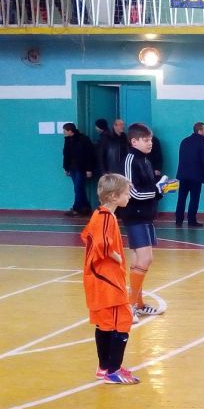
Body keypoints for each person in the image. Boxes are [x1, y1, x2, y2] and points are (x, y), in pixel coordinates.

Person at [81, 173, 140, 384]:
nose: (129, 197)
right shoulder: (106, 216)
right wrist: (117, 256)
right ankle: (113, 370)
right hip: (107, 279)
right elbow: (103, 245)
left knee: (105, 323)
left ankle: (104, 367)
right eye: (126, 193)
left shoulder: (99, 214)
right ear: (114, 196)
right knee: (122, 320)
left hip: (99, 278)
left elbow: (86, 236)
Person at [119, 123, 163, 320]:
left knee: (140, 260)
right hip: (134, 215)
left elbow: (149, 188)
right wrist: (156, 190)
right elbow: (133, 192)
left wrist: (161, 189)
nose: (150, 143)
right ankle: (129, 306)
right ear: (134, 141)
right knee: (145, 259)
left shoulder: (146, 160)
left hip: (146, 215)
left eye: (150, 139)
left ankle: (139, 304)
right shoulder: (130, 160)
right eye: (145, 140)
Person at [175, 122, 204, 227]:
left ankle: (178, 220)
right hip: (196, 175)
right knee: (194, 198)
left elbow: (181, 158)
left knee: (181, 198)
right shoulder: (203, 143)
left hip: (183, 175)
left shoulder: (184, 141)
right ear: (199, 131)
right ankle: (191, 221)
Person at [61, 123, 94, 216]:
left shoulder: (83, 139)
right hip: (72, 168)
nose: (63, 133)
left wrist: (89, 169)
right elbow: (66, 154)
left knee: (78, 188)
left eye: (65, 131)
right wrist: (66, 167)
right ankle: (85, 208)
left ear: (70, 131)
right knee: (79, 188)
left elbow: (89, 155)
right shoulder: (68, 140)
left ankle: (76, 208)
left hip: (81, 168)